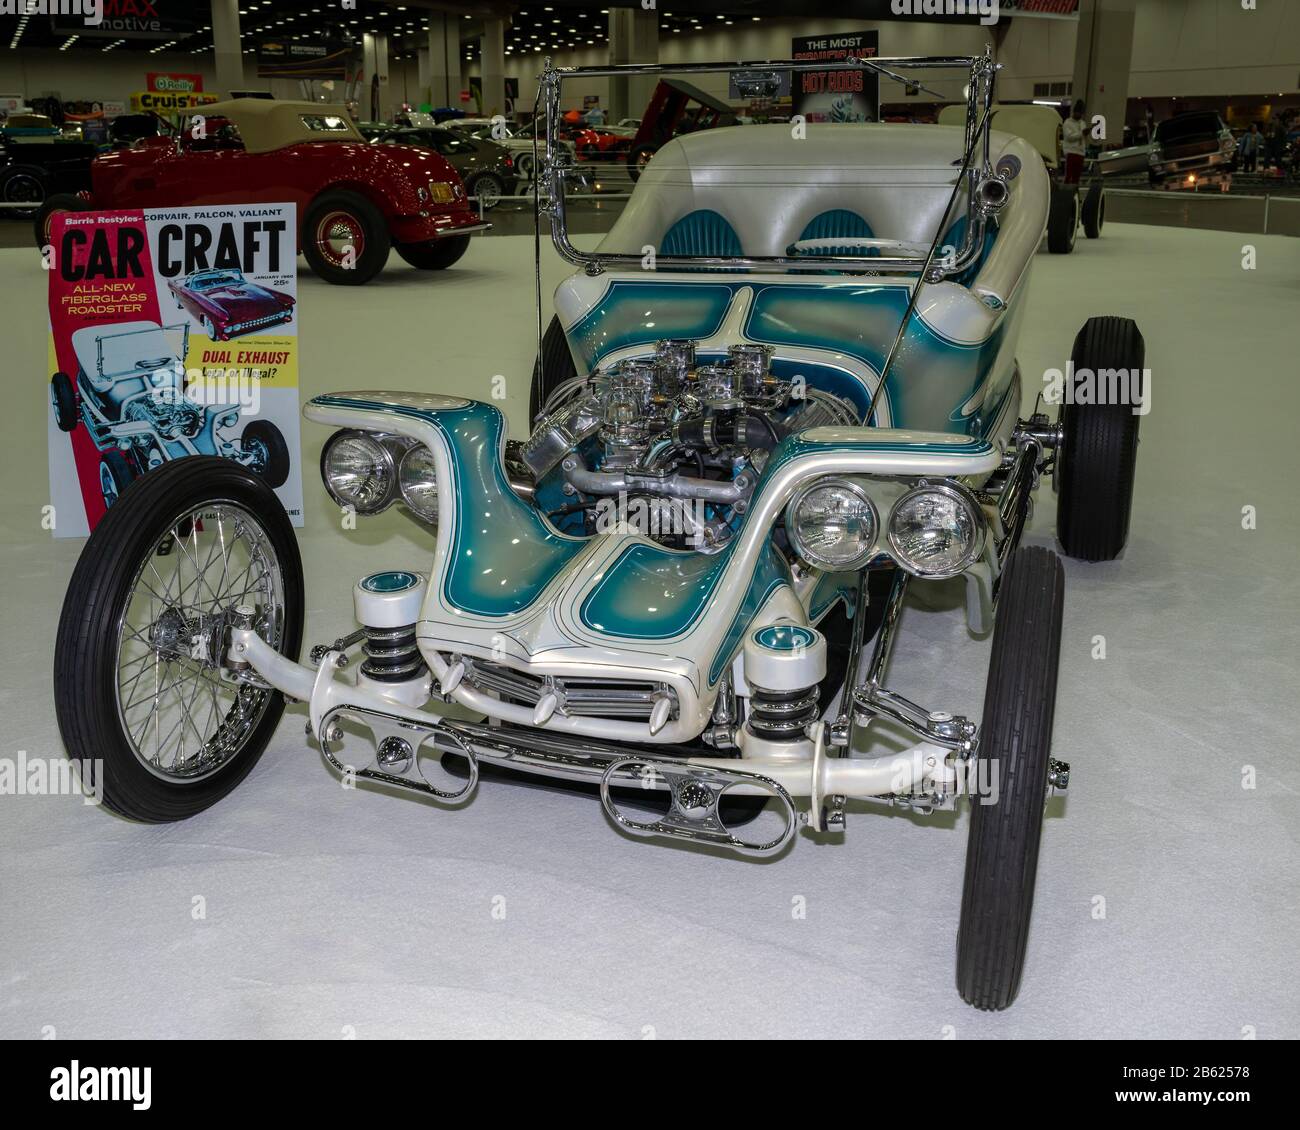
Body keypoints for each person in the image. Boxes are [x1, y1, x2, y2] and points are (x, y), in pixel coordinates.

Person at [1062, 99, 1086, 185]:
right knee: (1069, 176)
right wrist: (1082, 133)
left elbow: (1082, 137)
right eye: (1078, 113)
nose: (1080, 115)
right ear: (1074, 112)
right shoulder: (1067, 123)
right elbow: (1069, 137)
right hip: (1071, 151)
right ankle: (1066, 191)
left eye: (1081, 113)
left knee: (1077, 177)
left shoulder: (1082, 123)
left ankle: (1075, 190)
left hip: (1080, 152)